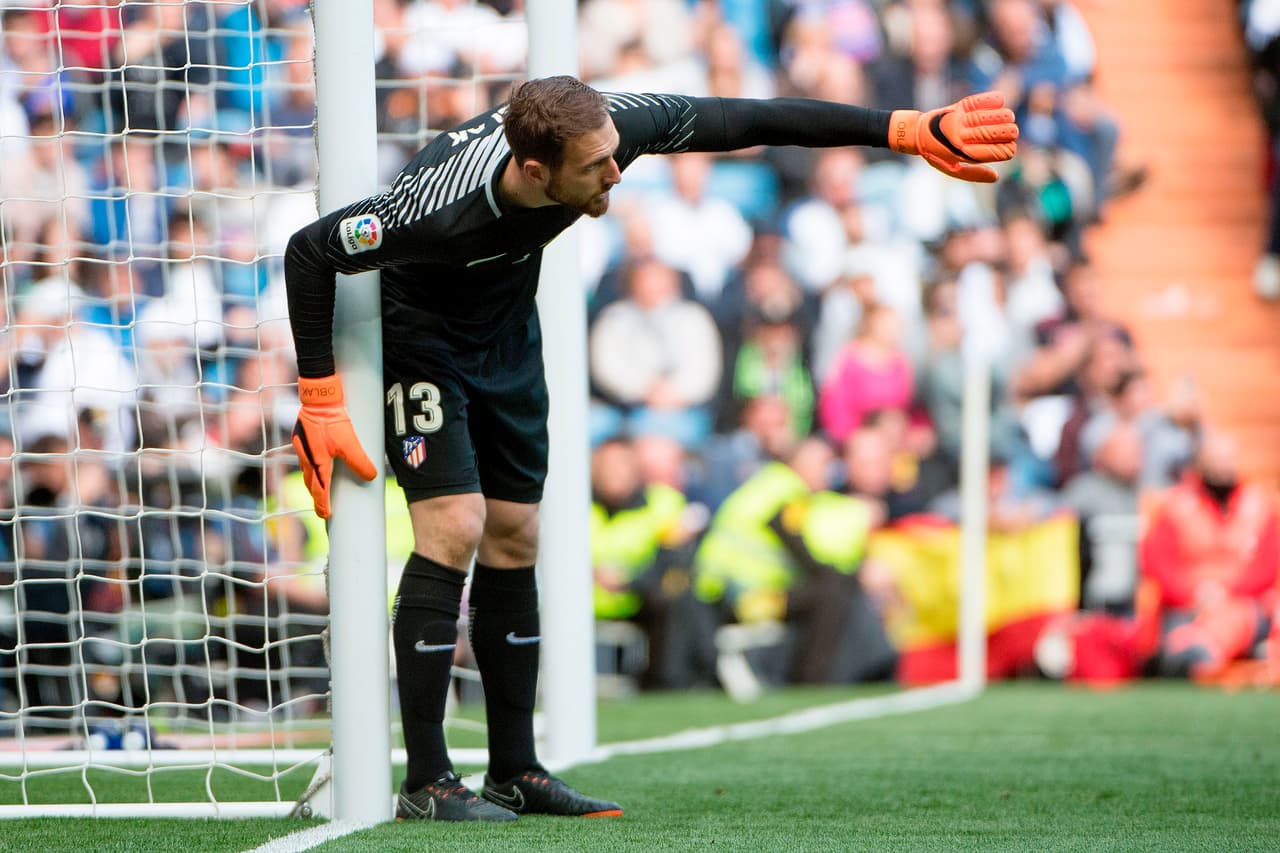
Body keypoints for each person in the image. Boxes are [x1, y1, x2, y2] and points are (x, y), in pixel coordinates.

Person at [282, 75, 1017, 822]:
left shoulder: (610, 130)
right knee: (456, 525)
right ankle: (428, 781)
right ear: (536, 171)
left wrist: (902, 127)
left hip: (507, 336)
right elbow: (309, 251)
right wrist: (321, 395)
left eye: (614, 154)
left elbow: (744, 119)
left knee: (516, 532)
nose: (617, 173)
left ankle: (515, 770)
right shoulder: (437, 208)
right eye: (596, 166)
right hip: (424, 338)